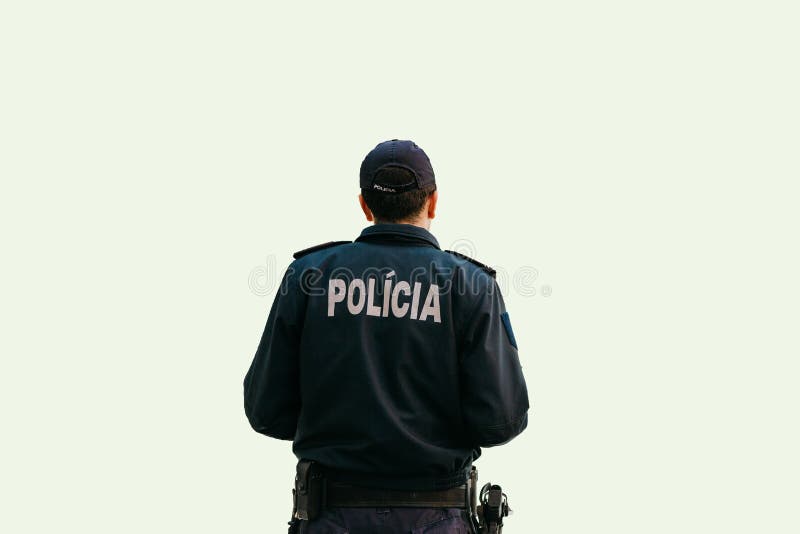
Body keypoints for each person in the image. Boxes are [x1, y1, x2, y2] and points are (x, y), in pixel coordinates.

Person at [244, 139, 529, 533]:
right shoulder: (472, 285)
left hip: (332, 516)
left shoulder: (308, 278)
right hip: (438, 520)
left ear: (364, 205)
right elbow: (500, 422)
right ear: (432, 202)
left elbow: (265, 411)